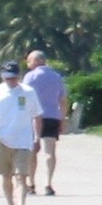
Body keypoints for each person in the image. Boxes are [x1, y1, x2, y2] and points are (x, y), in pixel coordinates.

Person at [0, 60, 42, 205]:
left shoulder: (28, 92)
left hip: (23, 141)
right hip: (1, 140)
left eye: (14, 77)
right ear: (2, 76)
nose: (11, 81)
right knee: (5, 176)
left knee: (21, 177)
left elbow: (37, 115)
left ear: (19, 76)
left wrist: (37, 137)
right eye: (8, 77)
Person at [23, 50, 68, 196]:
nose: (28, 64)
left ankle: (31, 183)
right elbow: (63, 99)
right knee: (50, 151)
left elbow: (23, 97)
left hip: (33, 117)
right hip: (52, 116)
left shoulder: (29, 77)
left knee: (32, 150)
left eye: (29, 61)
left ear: (36, 61)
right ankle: (48, 183)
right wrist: (62, 118)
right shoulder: (56, 77)